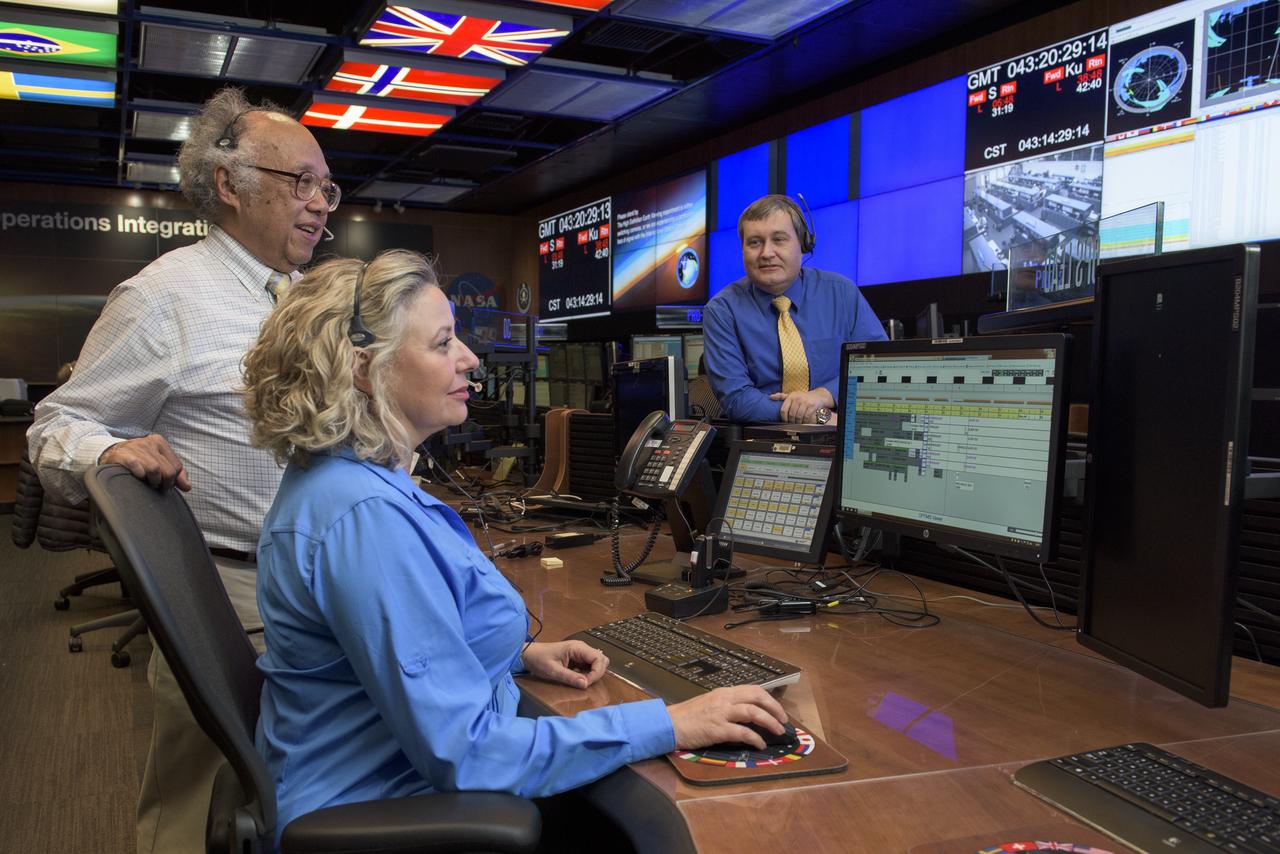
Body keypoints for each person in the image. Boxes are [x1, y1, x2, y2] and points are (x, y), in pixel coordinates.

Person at [241, 250, 788, 845]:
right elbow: (467, 751)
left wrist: (516, 656)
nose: (469, 358)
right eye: (442, 342)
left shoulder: (344, 482)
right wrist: (671, 722)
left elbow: (383, 655)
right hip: (383, 806)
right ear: (364, 368)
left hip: (368, 780)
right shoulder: (365, 518)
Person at [27, 87, 338, 854]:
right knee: (195, 801)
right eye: (300, 181)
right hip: (230, 594)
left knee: (297, 792)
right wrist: (104, 450)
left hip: (323, 584)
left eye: (328, 186)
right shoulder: (166, 295)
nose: (320, 203)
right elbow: (56, 421)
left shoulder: (304, 297)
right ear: (229, 185)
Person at [703, 194, 887, 424]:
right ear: (743, 250)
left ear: (803, 244)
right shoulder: (721, 311)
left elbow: (879, 365)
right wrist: (819, 416)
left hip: (841, 434)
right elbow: (738, 399)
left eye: (779, 239)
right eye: (754, 242)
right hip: (762, 441)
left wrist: (824, 395)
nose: (766, 253)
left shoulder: (841, 293)